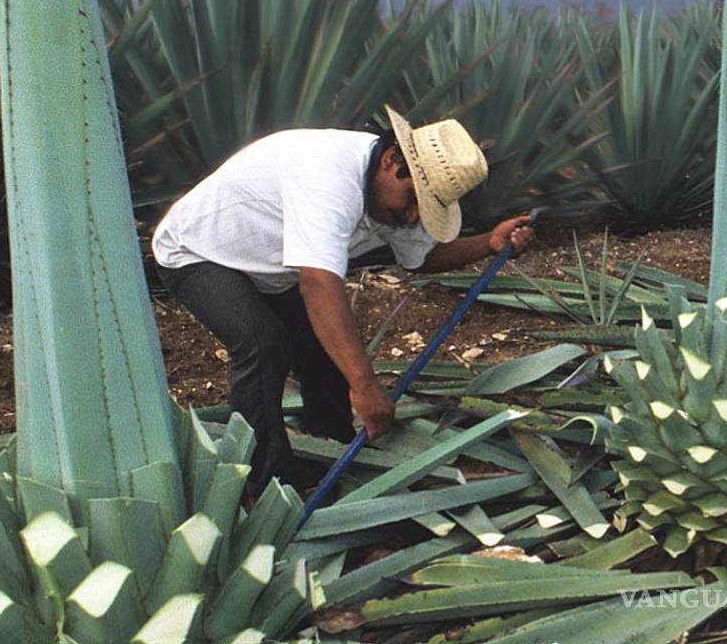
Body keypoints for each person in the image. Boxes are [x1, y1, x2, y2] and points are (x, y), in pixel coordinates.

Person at [152, 106, 534, 495]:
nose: (412, 215)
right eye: (413, 201)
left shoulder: (392, 197)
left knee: (322, 347)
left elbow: (423, 257)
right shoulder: (328, 177)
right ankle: (265, 489)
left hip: (268, 265)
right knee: (263, 346)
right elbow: (318, 282)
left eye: (425, 206)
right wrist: (365, 386)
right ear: (391, 160)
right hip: (197, 251)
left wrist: (488, 243)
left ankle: (328, 445)